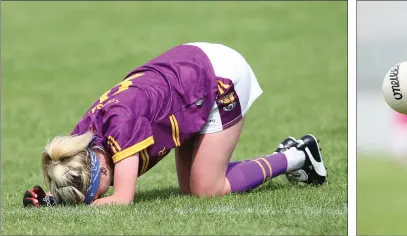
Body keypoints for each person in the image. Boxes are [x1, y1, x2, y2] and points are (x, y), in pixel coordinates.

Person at [22, 42, 328, 207]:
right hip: (188, 71)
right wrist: (55, 197)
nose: (100, 195)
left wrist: (83, 206)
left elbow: (123, 199)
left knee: (207, 188)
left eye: (95, 192)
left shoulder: (121, 129)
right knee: (189, 187)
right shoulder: (79, 143)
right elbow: (73, 174)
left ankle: (300, 155)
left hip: (218, 78)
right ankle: (293, 155)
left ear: (102, 170)